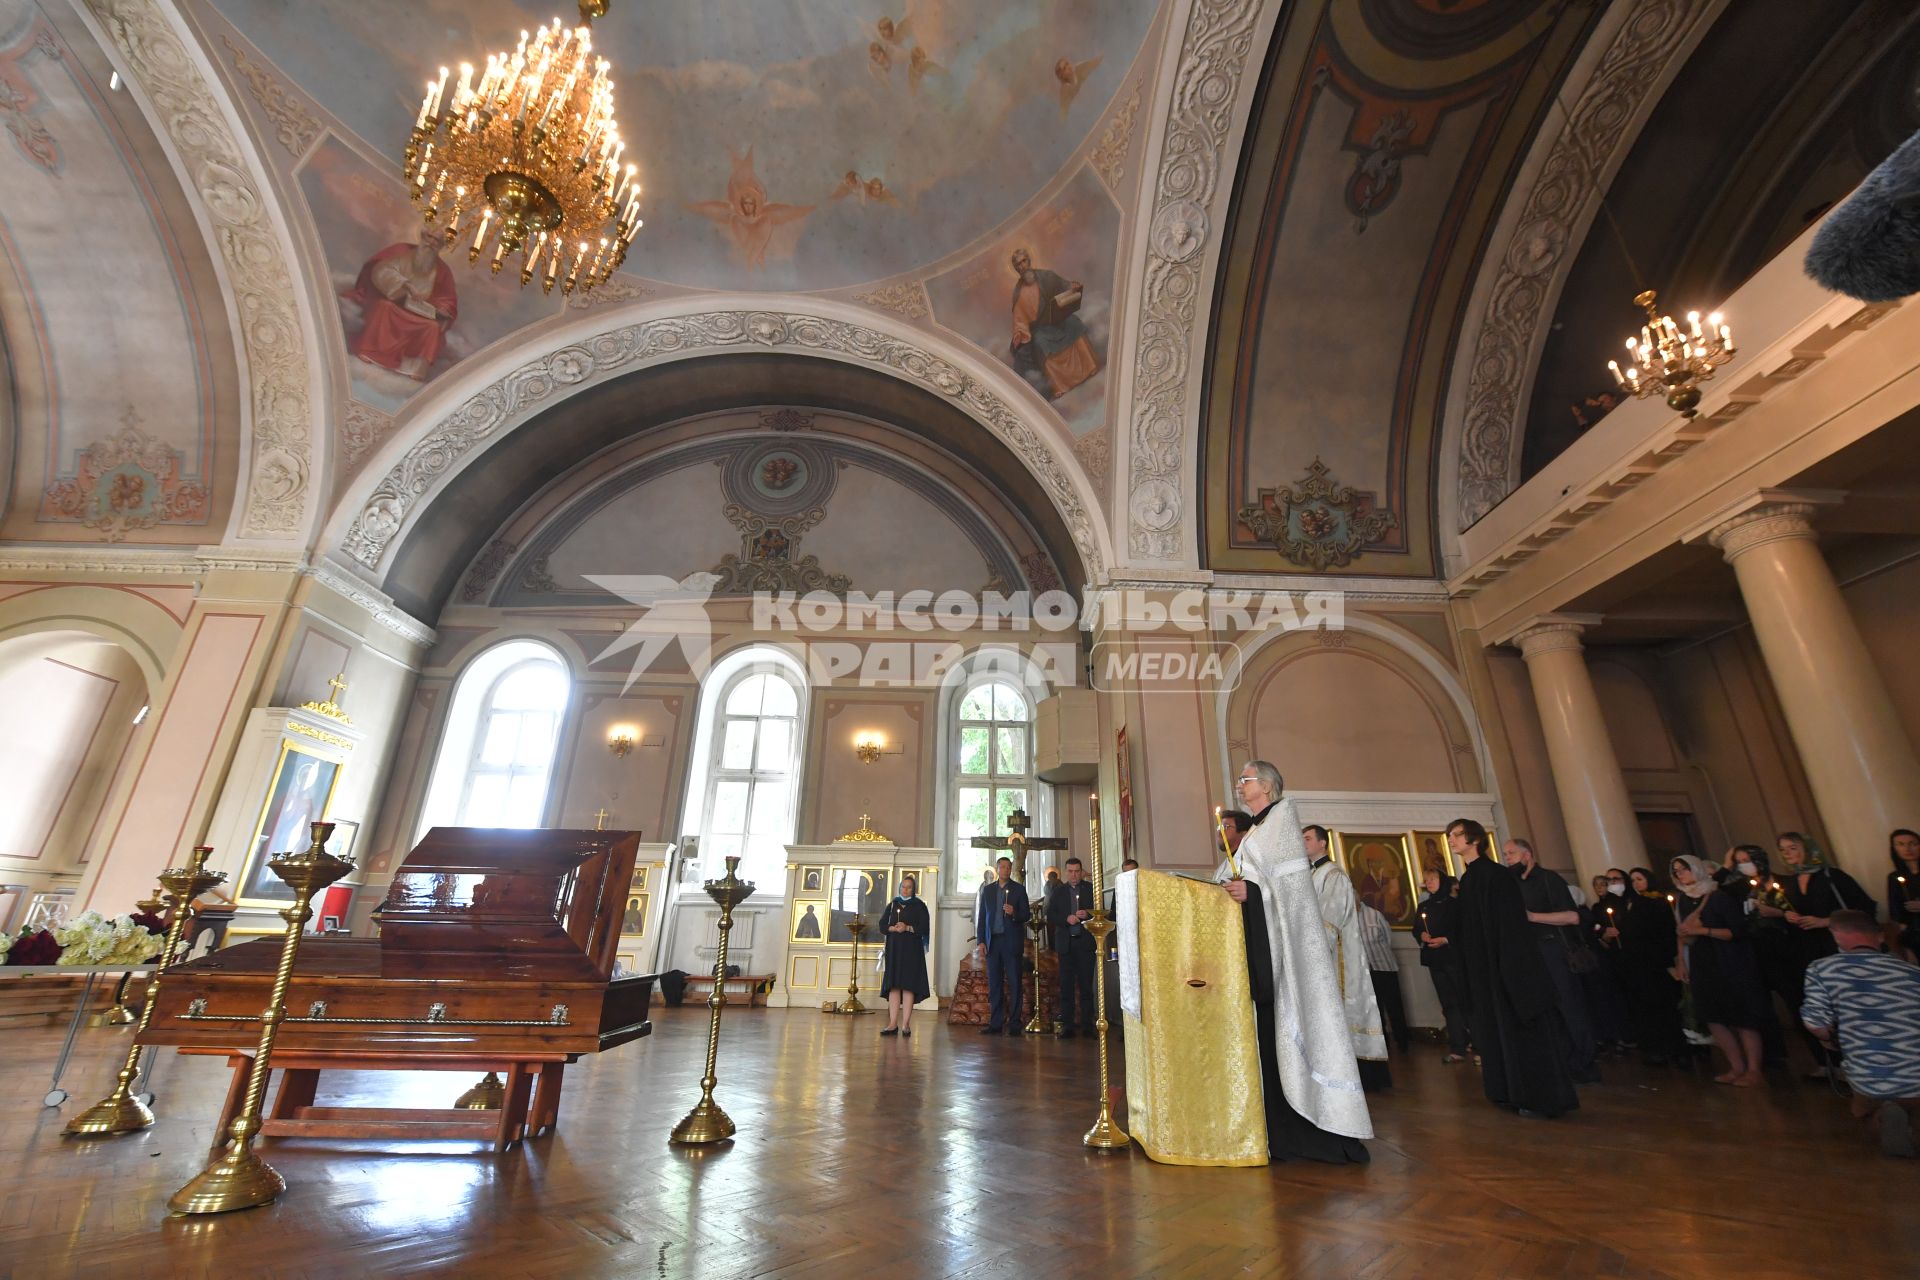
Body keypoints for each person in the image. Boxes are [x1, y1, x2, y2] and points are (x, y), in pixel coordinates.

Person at [1218, 761, 1371, 1163]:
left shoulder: (1282, 820)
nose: (1239, 784)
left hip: (1280, 954)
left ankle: (1302, 1131)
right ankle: (1274, 1127)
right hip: (1261, 946)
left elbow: (1287, 894)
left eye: (1245, 779)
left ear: (1266, 785)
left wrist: (1251, 895)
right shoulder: (1260, 827)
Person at [1448, 818, 1578, 1117]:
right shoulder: (1469, 880)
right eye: (1450, 835)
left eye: (1456, 835)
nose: (1451, 840)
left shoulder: (1495, 875)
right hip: (1487, 969)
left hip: (1507, 967)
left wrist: (1504, 966)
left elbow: (1509, 925)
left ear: (1474, 839)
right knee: (1495, 1029)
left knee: (1521, 1029)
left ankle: (1536, 1095)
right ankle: (1506, 1090)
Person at [1802, 910, 1920, 1157]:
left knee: (1864, 1110)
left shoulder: (1822, 969)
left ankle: (1880, 1117)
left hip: (1869, 1076)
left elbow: (1815, 1021)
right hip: (1915, 1075)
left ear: (1836, 935)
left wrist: (1829, 1040)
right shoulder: (1911, 972)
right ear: (1879, 937)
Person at [1763, 831, 1876, 1079]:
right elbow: (1792, 915)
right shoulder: (1790, 883)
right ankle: (1830, 1063)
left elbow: (1865, 909)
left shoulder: (1832, 876)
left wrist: (1825, 921)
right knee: (1816, 1004)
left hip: (1835, 946)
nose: (1788, 854)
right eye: (1783, 850)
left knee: (1845, 1004)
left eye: (1793, 847)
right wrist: (1786, 916)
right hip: (1805, 951)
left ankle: (1860, 1062)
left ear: (1808, 848)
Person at [1303, 824, 1391, 1090]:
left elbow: (1330, 918)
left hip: (1336, 955)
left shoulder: (1333, 874)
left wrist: (1310, 945)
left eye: (1307, 838)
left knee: (1345, 1006)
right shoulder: (1310, 874)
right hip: (1317, 953)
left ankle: (1361, 1073)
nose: (1302, 842)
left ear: (1323, 843)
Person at [1505, 837, 1600, 1083]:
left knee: (1570, 1008)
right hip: (1530, 954)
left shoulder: (1549, 880)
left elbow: (1572, 917)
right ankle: (1563, 1063)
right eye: (1505, 855)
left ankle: (1585, 1063)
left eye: (1511, 853)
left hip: (1555, 950)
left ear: (1527, 855)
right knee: (1547, 1011)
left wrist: (1532, 917)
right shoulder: (1512, 885)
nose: (1507, 859)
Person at [1671, 856, 1771, 1086]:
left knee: (1742, 1016)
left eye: (1684, 869)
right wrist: (1682, 962)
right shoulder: (1683, 900)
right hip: (1701, 961)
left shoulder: (1719, 897)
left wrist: (1704, 930)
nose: (1680, 874)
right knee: (1713, 1015)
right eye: (1676, 871)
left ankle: (1754, 1070)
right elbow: (1682, 933)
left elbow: (1736, 932)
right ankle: (1736, 1067)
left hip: (1729, 959)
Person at [344, 229, 458, 380]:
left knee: (433, 328)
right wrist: (404, 285)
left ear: (441, 246)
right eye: (429, 237)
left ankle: (412, 368)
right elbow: (381, 270)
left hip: (420, 312)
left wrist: (442, 309)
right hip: (395, 302)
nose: (431, 242)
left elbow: (447, 299)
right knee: (384, 308)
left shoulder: (443, 271)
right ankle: (370, 351)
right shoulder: (403, 250)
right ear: (423, 237)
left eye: (436, 241)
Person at [1606, 867, 1684, 1065]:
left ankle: (1673, 1048)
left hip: (1655, 961)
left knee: (1663, 1005)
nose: (1636, 883)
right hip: (1636, 963)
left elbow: (1665, 934)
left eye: (1639, 879)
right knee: (1644, 1006)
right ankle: (1653, 1046)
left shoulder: (1657, 902)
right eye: (1633, 880)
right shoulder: (1630, 903)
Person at [1007, 247, 1099, 399]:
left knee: (1074, 323)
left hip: (1057, 319)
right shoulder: (1018, 292)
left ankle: (1090, 367)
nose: (1022, 266)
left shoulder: (1046, 276)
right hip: (1040, 329)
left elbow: (1064, 285)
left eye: (1024, 261)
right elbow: (1019, 319)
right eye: (1018, 264)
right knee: (1040, 342)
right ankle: (1060, 385)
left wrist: (1072, 286)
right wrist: (1019, 334)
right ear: (1016, 269)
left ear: (1029, 261)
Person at [1416, 869, 1471, 1062]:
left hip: (1454, 958)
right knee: (1448, 1004)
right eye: (1426, 879)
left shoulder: (1455, 905)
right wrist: (1422, 935)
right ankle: (1458, 1046)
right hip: (1435, 960)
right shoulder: (1424, 906)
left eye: (1433, 879)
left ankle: (1478, 1044)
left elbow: (1464, 930)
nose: (1429, 882)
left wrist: (1446, 940)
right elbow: (1417, 928)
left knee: (1464, 1001)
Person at [973, 857, 1030, 1034]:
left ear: (1011, 869)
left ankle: (1014, 1024)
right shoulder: (988, 891)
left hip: (1011, 942)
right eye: (1002, 867)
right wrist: (981, 940)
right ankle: (996, 1023)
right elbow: (982, 917)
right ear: (998, 869)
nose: (1005, 870)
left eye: (1008, 867)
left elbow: (1026, 915)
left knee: (1014, 982)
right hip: (993, 942)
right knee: (995, 984)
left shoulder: (1019, 890)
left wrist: (1014, 913)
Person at [1047, 857, 1097, 1037]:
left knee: (1086, 987)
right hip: (1066, 945)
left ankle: (1087, 1027)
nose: (1074, 875)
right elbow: (1050, 914)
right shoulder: (1058, 891)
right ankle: (1067, 1026)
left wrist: (1088, 914)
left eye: (1077, 871)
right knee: (1066, 987)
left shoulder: (1090, 890)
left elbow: (1099, 912)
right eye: (1070, 871)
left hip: (1085, 944)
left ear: (1081, 872)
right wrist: (1066, 919)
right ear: (1066, 872)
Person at [879, 875, 930, 1037]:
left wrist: (907, 927)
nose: (905, 889)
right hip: (894, 949)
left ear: (913, 890)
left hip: (911, 951)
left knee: (908, 986)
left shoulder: (919, 905)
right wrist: (892, 929)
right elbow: (882, 925)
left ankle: (906, 1024)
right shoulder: (893, 904)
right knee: (894, 985)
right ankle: (892, 1023)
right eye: (903, 886)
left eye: (909, 887)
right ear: (899, 887)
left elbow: (924, 927)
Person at [1358, 900, 1410, 1054]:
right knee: (1375, 1008)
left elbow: (1387, 937)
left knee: (1394, 1006)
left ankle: (1402, 1041)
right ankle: (1382, 1042)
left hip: (1385, 967)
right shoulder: (1346, 918)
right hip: (1366, 972)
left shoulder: (1374, 915)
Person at [1884, 829, 1920, 962]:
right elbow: (1895, 909)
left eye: (1913, 844)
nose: (1907, 848)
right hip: (1913, 934)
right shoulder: (1894, 877)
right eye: (1901, 844)